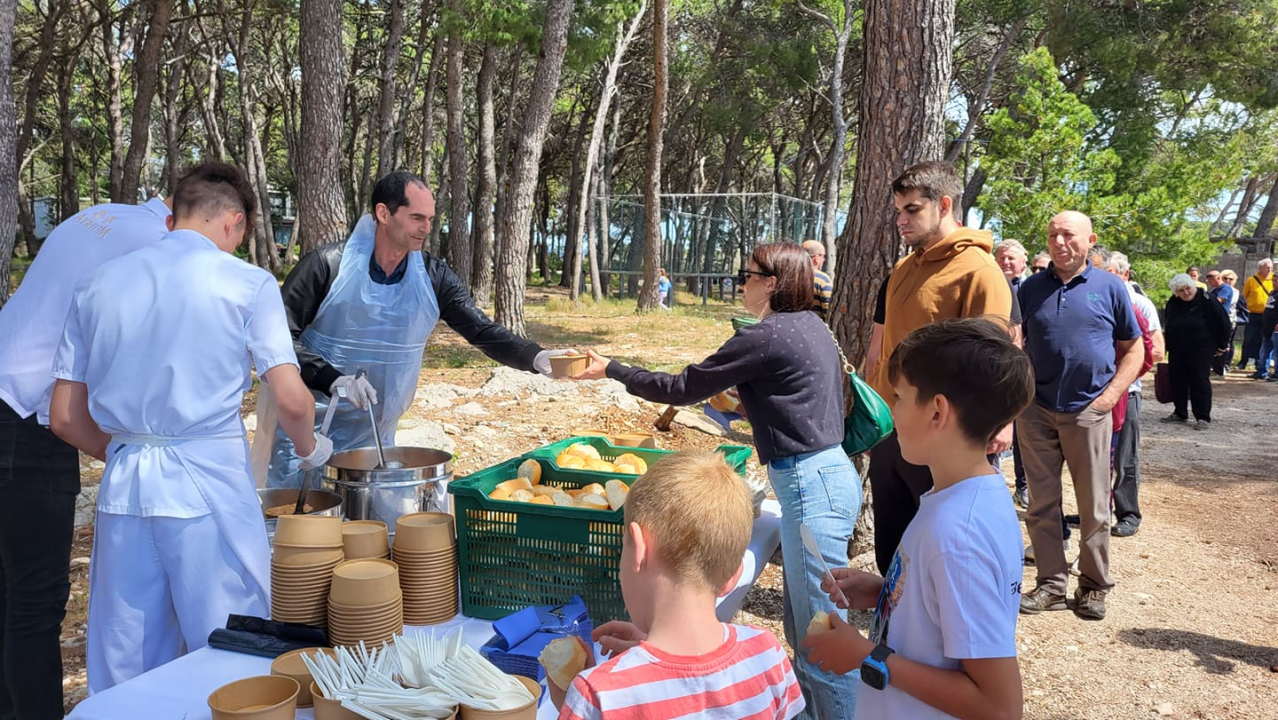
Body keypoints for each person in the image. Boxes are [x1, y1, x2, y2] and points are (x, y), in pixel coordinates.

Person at [47, 163, 333, 692]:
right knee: (230, 641)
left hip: (125, 487)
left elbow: (64, 416)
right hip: (208, 479)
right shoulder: (246, 282)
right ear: (232, 221)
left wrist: (121, 453)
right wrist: (312, 448)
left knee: (127, 652)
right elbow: (291, 399)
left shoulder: (97, 284)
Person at [572, 241, 861, 719]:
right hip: (825, 476)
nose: (739, 285)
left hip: (811, 485)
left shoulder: (764, 336)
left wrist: (612, 369)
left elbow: (683, 387)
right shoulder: (811, 326)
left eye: (744, 277)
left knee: (824, 638)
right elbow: (798, 398)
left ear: (771, 283)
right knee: (807, 629)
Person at [262, 171, 573, 489]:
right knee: (298, 528)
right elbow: (279, 340)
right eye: (416, 218)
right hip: (306, 438)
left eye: (430, 219)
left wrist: (535, 357)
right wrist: (334, 379)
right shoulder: (327, 266)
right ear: (383, 213)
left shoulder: (432, 277)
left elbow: (480, 328)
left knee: (367, 531)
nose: (426, 228)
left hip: (375, 441)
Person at [802, 317, 1029, 720]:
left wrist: (867, 656)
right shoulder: (962, 498)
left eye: (900, 398)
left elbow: (999, 706)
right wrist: (885, 592)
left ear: (937, 412)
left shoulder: (959, 534)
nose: (892, 412)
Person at [0, 191, 172, 719]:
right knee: (35, 599)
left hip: (8, 391)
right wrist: (127, 451)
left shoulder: (101, 217)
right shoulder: (158, 244)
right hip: (26, 419)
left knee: (9, 593)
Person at [551, 451, 804, 720]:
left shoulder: (598, 694)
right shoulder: (767, 654)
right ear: (734, 576)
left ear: (638, 549)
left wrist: (570, 703)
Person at [867, 161, 1013, 577]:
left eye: (912, 209)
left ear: (945, 204)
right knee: (893, 555)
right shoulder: (902, 268)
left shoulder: (980, 271)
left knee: (943, 558)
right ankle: (890, 636)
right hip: (892, 431)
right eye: (898, 211)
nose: (901, 220)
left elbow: (991, 366)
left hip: (944, 438)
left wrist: (991, 427)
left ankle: (932, 641)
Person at [1018, 211, 1143, 621]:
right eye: (1052, 234)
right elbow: (1015, 346)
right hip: (1036, 411)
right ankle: (1051, 585)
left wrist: (1107, 398)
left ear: (1090, 240)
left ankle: (1092, 586)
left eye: (1068, 235)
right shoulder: (1029, 289)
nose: (1059, 242)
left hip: (1088, 411)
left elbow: (1135, 349)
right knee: (1041, 504)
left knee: (1094, 506)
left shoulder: (1110, 287)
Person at [1106, 252, 1164, 537]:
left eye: (1109, 271)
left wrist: (1122, 380)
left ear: (1124, 275)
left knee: (1125, 457)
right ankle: (1097, 509)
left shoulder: (1140, 304)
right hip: (1096, 396)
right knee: (1097, 458)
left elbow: (1155, 351)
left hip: (1127, 393)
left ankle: (1128, 513)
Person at [1161, 274, 1231, 427]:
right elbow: (1169, 325)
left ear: (1193, 286)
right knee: (1177, 379)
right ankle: (1180, 412)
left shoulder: (1207, 299)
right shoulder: (1173, 303)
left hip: (1202, 347)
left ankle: (1203, 417)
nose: (1186, 293)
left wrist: (1221, 345)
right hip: (1178, 348)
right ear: (1176, 293)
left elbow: (1224, 323)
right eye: (1181, 291)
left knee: (1199, 380)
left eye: (1188, 288)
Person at [1237, 258, 1274, 372]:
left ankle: (1260, 362)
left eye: (1271, 267)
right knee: (1249, 338)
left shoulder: (1274, 279)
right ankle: (1243, 361)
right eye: (1267, 267)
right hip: (1252, 314)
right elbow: (1244, 296)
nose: (1269, 269)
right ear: (1260, 268)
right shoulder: (1251, 280)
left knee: (1264, 339)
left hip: (1267, 316)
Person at [1206, 270, 1237, 376]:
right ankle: (1213, 367)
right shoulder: (1213, 290)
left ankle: (1220, 369)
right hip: (1214, 322)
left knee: (1223, 345)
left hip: (1223, 322)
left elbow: (1218, 301)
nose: (1208, 281)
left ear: (1218, 278)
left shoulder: (1225, 288)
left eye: (1210, 278)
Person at [1252, 284, 1278, 380]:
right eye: (1274, 280)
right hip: (1267, 327)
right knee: (1264, 351)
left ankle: (1276, 374)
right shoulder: (1272, 293)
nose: (1274, 282)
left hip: (1276, 329)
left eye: (1277, 280)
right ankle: (1262, 371)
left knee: (1276, 353)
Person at [802, 240, 833, 317]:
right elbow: (828, 311)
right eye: (823, 256)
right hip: (815, 326)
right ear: (816, 258)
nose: (824, 259)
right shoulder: (822, 280)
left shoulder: (790, 277)